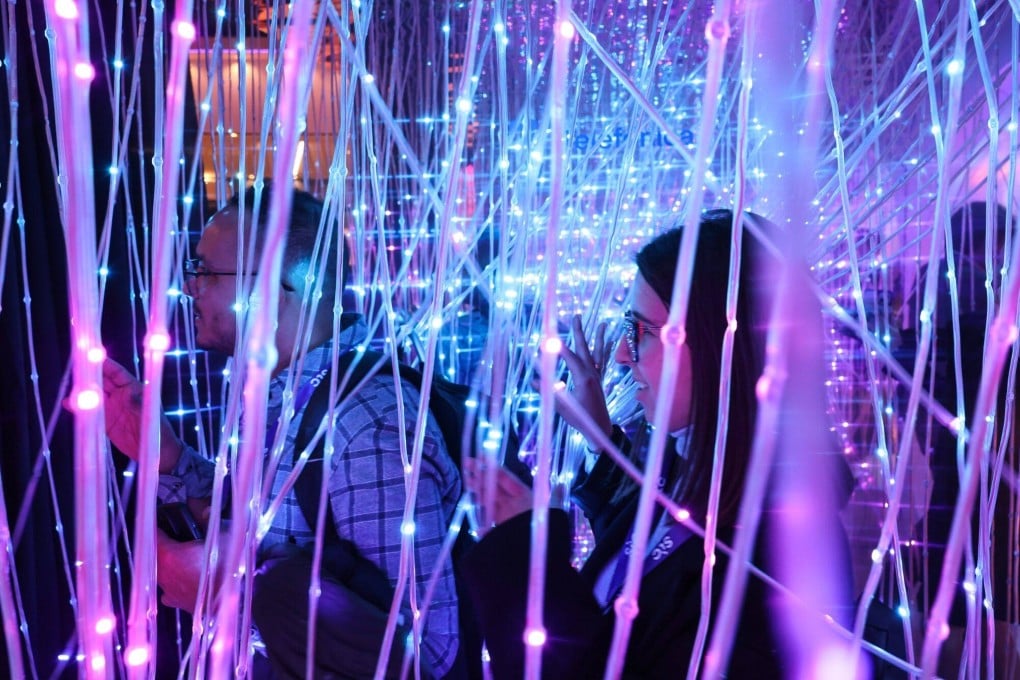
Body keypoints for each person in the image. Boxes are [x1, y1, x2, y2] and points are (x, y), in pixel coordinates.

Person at [460, 209, 854, 678]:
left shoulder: (772, 564)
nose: (624, 356)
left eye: (642, 332)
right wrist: (598, 436)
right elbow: (650, 555)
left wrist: (526, 563)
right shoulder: (707, 476)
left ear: (718, 345)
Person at [102, 182, 462, 678]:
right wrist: (168, 457)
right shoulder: (282, 395)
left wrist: (230, 594)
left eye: (207, 271)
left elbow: (424, 653)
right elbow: (262, 527)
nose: (190, 287)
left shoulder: (365, 425)